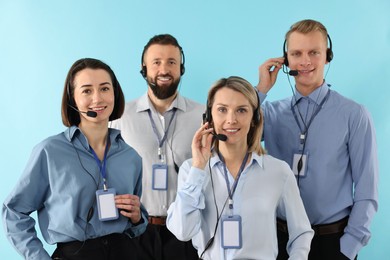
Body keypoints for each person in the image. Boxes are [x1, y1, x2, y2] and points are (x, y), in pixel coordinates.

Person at [256, 19, 379, 260]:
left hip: (332, 243)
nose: (305, 61)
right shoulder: (269, 114)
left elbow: (367, 188)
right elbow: (231, 132)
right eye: (296, 53)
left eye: (314, 52)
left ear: (327, 56)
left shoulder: (354, 115)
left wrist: (347, 249)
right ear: (286, 60)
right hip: (279, 241)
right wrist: (261, 89)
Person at [2, 58, 148, 260]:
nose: (97, 99)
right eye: (87, 91)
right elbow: (13, 212)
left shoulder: (131, 157)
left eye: (105, 89)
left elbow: (138, 224)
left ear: (115, 93)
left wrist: (138, 217)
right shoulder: (49, 151)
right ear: (73, 98)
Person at [167, 76, 314, 260]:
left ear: (254, 117)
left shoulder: (278, 171)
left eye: (241, 110)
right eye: (222, 110)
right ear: (209, 116)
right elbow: (183, 231)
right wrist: (198, 167)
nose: (231, 119)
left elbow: (302, 233)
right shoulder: (191, 170)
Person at [111, 34, 202, 260]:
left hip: (186, 234)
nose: (164, 69)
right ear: (144, 67)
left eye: (172, 62)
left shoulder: (202, 115)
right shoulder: (120, 117)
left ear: (181, 68)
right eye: (156, 62)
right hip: (135, 231)